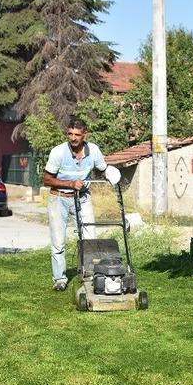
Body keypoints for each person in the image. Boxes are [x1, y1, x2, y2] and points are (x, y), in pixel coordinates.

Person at [43, 117, 120, 291]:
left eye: (77, 134)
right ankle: (60, 279)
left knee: (89, 238)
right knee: (58, 242)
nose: (73, 138)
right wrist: (70, 184)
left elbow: (103, 169)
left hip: (83, 198)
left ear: (85, 134)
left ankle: (90, 274)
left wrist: (111, 175)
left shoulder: (93, 151)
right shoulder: (58, 152)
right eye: (70, 134)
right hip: (59, 199)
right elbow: (47, 179)